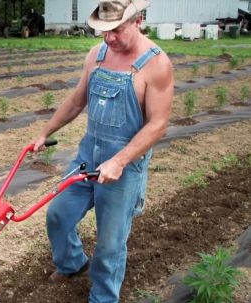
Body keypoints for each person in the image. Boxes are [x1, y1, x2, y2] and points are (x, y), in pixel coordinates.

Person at [31, 0, 174, 302]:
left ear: (138, 21)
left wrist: (120, 161)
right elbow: (76, 101)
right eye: (103, 31)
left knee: (110, 243)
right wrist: (45, 132)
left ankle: (104, 297)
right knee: (58, 214)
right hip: (87, 156)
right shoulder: (97, 54)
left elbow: (158, 124)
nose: (109, 38)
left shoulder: (156, 64)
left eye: (116, 30)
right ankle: (71, 262)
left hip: (125, 163)